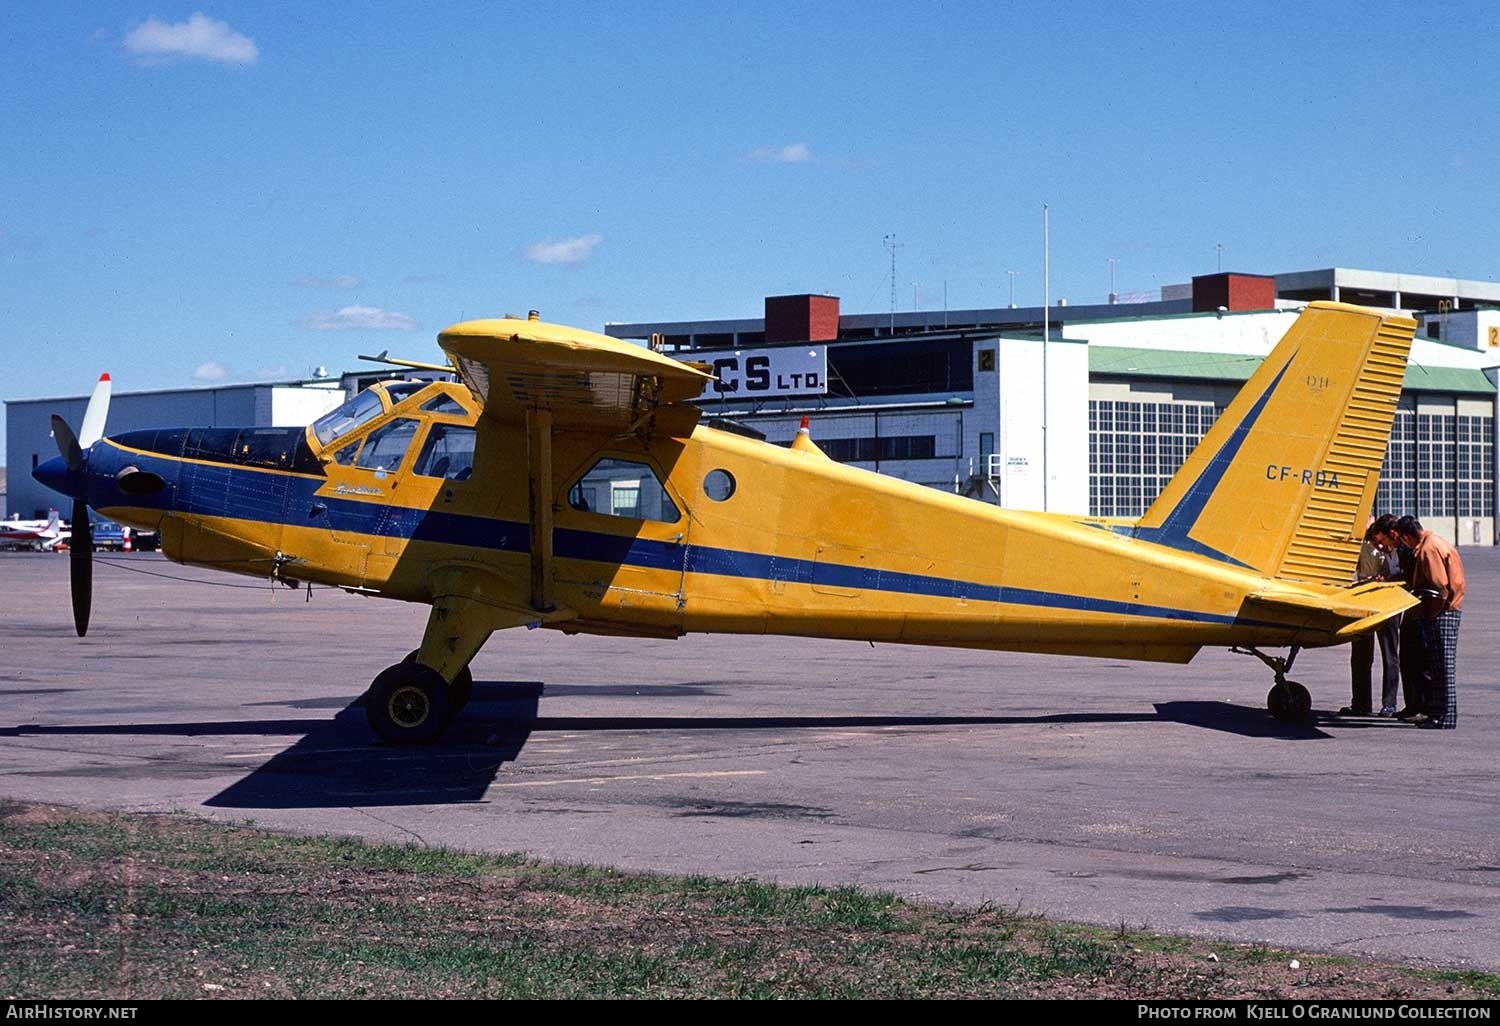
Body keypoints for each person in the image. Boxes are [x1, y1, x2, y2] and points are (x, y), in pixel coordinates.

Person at [1393, 515, 1465, 730]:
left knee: (1441, 667)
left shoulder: (1428, 550)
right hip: (1446, 610)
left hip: (1442, 613)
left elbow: (1439, 586)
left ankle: (1444, 717)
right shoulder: (1436, 543)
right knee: (1441, 666)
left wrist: (1430, 615)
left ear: (1406, 536)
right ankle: (1441, 714)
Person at [1343, 517, 1401, 717]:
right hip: (1363, 602)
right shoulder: (1361, 544)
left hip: (1389, 603)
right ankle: (1360, 702)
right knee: (1360, 656)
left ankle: (1389, 703)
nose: (1381, 545)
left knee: (1390, 655)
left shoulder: (1396, 548)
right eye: (1378, 541)